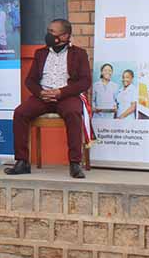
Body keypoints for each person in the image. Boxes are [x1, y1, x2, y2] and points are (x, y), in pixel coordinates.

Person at [6, 19, 92, 179]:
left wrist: (61, 92)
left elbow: (85, 81)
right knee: (20, 113)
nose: (48, 35)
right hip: (43, 96)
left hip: (66, 96)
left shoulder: (79, 54)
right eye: (48, 31)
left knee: (73, 113)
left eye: (52, 32)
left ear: (65, 36)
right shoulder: (41, 53)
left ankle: (75, 163)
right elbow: (30, 80)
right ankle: (22, 162)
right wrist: (40, 93)